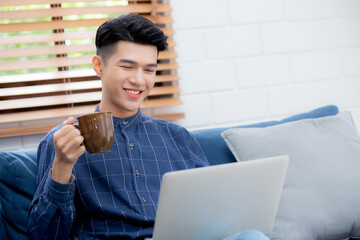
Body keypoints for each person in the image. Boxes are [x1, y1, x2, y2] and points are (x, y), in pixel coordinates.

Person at [27, 14, 270, 240]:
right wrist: (62, 167)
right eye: (127, 67)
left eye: (149, 69)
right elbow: (44, 236)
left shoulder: (178, 138)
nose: (139, 80)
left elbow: (214, 212)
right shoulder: (63, 142)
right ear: (99, 66)